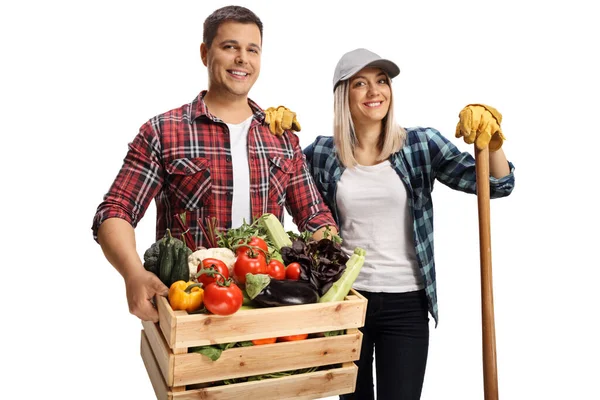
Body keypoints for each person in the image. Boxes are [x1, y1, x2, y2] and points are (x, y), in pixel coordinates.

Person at [91, 5, 337, 323]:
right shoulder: (164, 131)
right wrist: (133, 274)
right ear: (205, 53)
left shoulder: (280, 136)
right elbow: (115, 210)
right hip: (190, 304)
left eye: (252, 50)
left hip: (266, 305)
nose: (242, 59)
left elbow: (314, 217)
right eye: (229, 47)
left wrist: (333, 264)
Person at [303, 48, 515, 400]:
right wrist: (273, 133)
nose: (375, 92)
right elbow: (280, 188)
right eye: (361, 83)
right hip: (346, 301)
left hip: (407, 303)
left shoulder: (419, 145)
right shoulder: (322, 153)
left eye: (382, 81)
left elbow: (497, 185)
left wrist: (493, 141)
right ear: (344, 95)